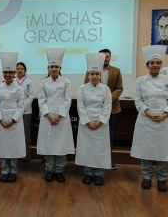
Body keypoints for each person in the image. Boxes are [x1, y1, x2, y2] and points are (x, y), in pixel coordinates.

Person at [131, 45, 168, 192]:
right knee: (146, 149)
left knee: (163, 150)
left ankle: (162, 178)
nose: (155, 65)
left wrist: (165, 114)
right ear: (147, 65)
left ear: (161, 64)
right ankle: (146, 176)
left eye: (158, 63)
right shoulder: (140, 81)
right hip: (146, 120)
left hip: (164, 121)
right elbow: (138, 100)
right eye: (152, 63)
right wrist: (149, 114)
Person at [37, 47, 75, 183]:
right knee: (49, 146)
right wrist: (49, 115)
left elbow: (67, 100)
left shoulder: (66, 82)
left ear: (60, 68)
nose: (54, 69)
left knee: (60, 146)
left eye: (56, 67)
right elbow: (41, 100)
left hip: (61, 119)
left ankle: (59, 171)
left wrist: (58, 115)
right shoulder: (43, 83)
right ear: (48, 68)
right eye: (52, 66)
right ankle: (49, 170)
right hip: (47, 119)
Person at [76, 53, 112, 186]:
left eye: (97, 74)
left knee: (99, 149)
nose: (95, 76)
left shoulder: (106, 89)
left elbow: (107, 106)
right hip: (86, 123)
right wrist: (87, 121)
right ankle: (88, 173)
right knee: (87, 148)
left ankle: (99, 174)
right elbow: (80, 106)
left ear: (100, 75)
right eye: (92, 74)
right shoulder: (82, 89)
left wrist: (100, 121)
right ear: (88, 75)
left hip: (101, 124)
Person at [84, 48, 123, 170]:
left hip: (110, 109)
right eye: (103, 56)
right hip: (92, 111)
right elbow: (86, 88)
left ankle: (108, 161)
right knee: (92, 137)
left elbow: (119, 88)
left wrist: (108, 99)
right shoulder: (90, 71)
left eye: (107, 56)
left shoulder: (116, 71)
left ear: (110, 58)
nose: (105, 58)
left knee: (108, 135)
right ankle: (91, 162)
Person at [0, 52, 25, 182]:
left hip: (15, 123)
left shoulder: (19, 89)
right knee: (3, 146)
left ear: (14, 74)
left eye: (10, 72)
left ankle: (13, 170)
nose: (7, 75)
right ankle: (4, 169)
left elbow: (21, 106)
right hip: (2, 122)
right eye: (5, 72)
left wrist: (13, 120)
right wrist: (1, 119)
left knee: (13, 146)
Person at [15, 62, 34, 162]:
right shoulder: (12, 81)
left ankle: (26, 155)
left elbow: (30, 96)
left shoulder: (29, 82)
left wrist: (22, 108)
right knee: (15, 134)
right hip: (14, 112)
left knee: (26, 134)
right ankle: (16, 154)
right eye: (18, 68)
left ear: (25, 71)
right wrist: (17, 109)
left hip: (26, 112)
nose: (20, 70)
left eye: (22, 68)